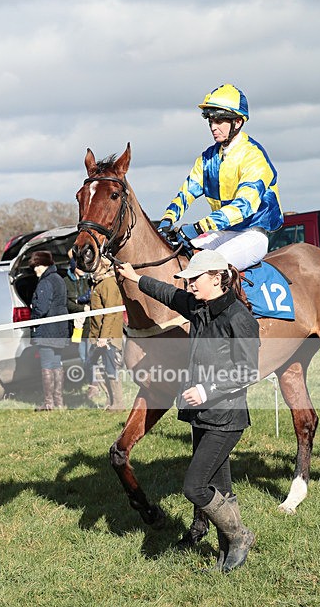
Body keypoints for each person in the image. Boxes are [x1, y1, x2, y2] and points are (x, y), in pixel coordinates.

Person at [115, 249, 259, 573]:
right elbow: (166, 292)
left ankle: (240, 536)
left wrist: (207, 390)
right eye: (188, 279)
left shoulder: (240, 319)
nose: (189, 284)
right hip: (201, 417)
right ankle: (226, 558)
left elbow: (248, 371)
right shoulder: (197, 306)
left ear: (216, 278)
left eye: (194, 279)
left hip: (226, 418)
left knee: (194, 486)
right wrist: (135, 277)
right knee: (221, 489)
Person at [158, 83, 283, 271]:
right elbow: (187, 192)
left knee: (209, 268)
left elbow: (244, 207)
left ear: (238, 122)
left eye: (219, 121)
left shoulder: (254, 157)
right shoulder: (208, 158)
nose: (213, 127)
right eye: (210, 121)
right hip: (223, 232)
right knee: (178, 257)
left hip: (252, 234)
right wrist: (168, 218)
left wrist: (198, 228)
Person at [30, 250, 70, 410]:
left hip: (47, 330)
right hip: (60, 330)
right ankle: (59, 402)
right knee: (56, 364)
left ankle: (49, 402)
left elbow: (42, 308)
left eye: (37, 265)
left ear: (44, 264)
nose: (35, 270)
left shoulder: (45, 282)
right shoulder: (59, 279)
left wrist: (33, 312)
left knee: (47, 364)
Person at [87, 260, 124, 410]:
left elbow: (110, 313)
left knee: (110, 368)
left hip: (107, 337)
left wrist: (104, 337)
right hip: (98, 336)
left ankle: (118, 404)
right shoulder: (98, 283)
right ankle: (111, 401)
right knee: (93, 365)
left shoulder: (108, 283)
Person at [64, 261, 92, 363]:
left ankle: (94, 375)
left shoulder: (90, 280)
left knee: (92, 353)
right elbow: (66, 303)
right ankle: (89, 375)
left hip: (90, 322)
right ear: (73, 267)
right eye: (79, 267)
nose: (82, 269)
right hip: (77, 324)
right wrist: (82, 308)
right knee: (82, 354)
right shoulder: (66, 282)